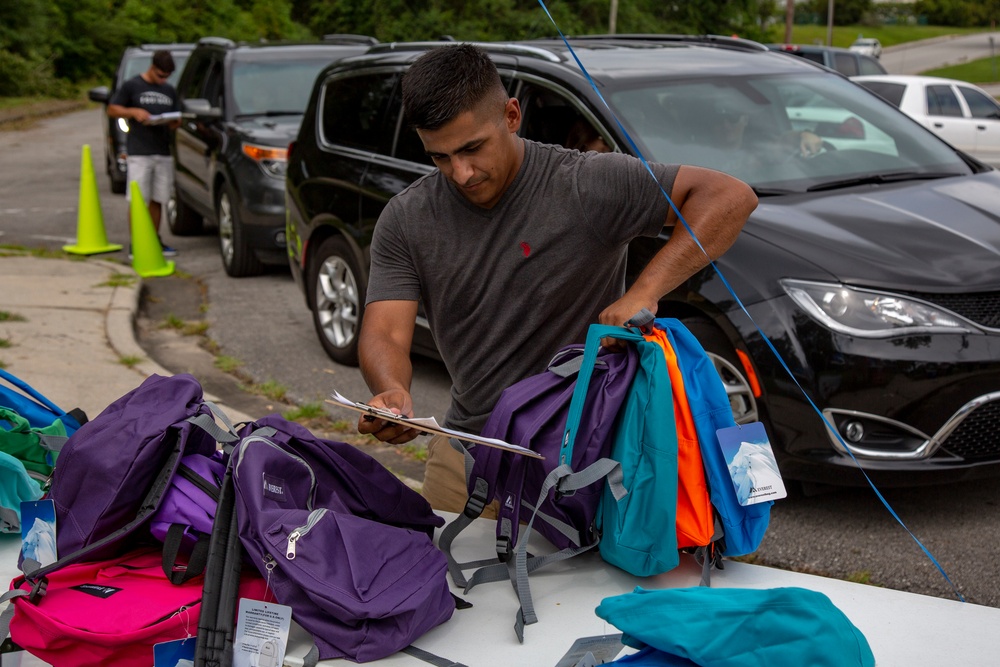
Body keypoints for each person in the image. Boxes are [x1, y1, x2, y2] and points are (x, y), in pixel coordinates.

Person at [357, 44, 758, 514]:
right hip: (468, 455)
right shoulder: (406, 219)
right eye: (440, 157)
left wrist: (645, 292)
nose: (461, 173)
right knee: (450, 579)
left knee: (584, 589)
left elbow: (730, 197)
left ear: (511, 116)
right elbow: (385, 331)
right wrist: (391, 391)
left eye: (472, 148)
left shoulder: (586, 184)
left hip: (588, 461)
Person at [107, 50, 181, 257]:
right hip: (139, 151)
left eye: (167, 76)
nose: (163, 79)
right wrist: (133, 112)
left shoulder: (169, 90)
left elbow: (177, 118)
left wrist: (174, 121)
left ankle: (154, 238)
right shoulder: (133, 86)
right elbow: (112, 109)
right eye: (160, 75)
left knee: (159, 198)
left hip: (162, 150)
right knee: (139, 198)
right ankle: (137, 241)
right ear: (152, 68)